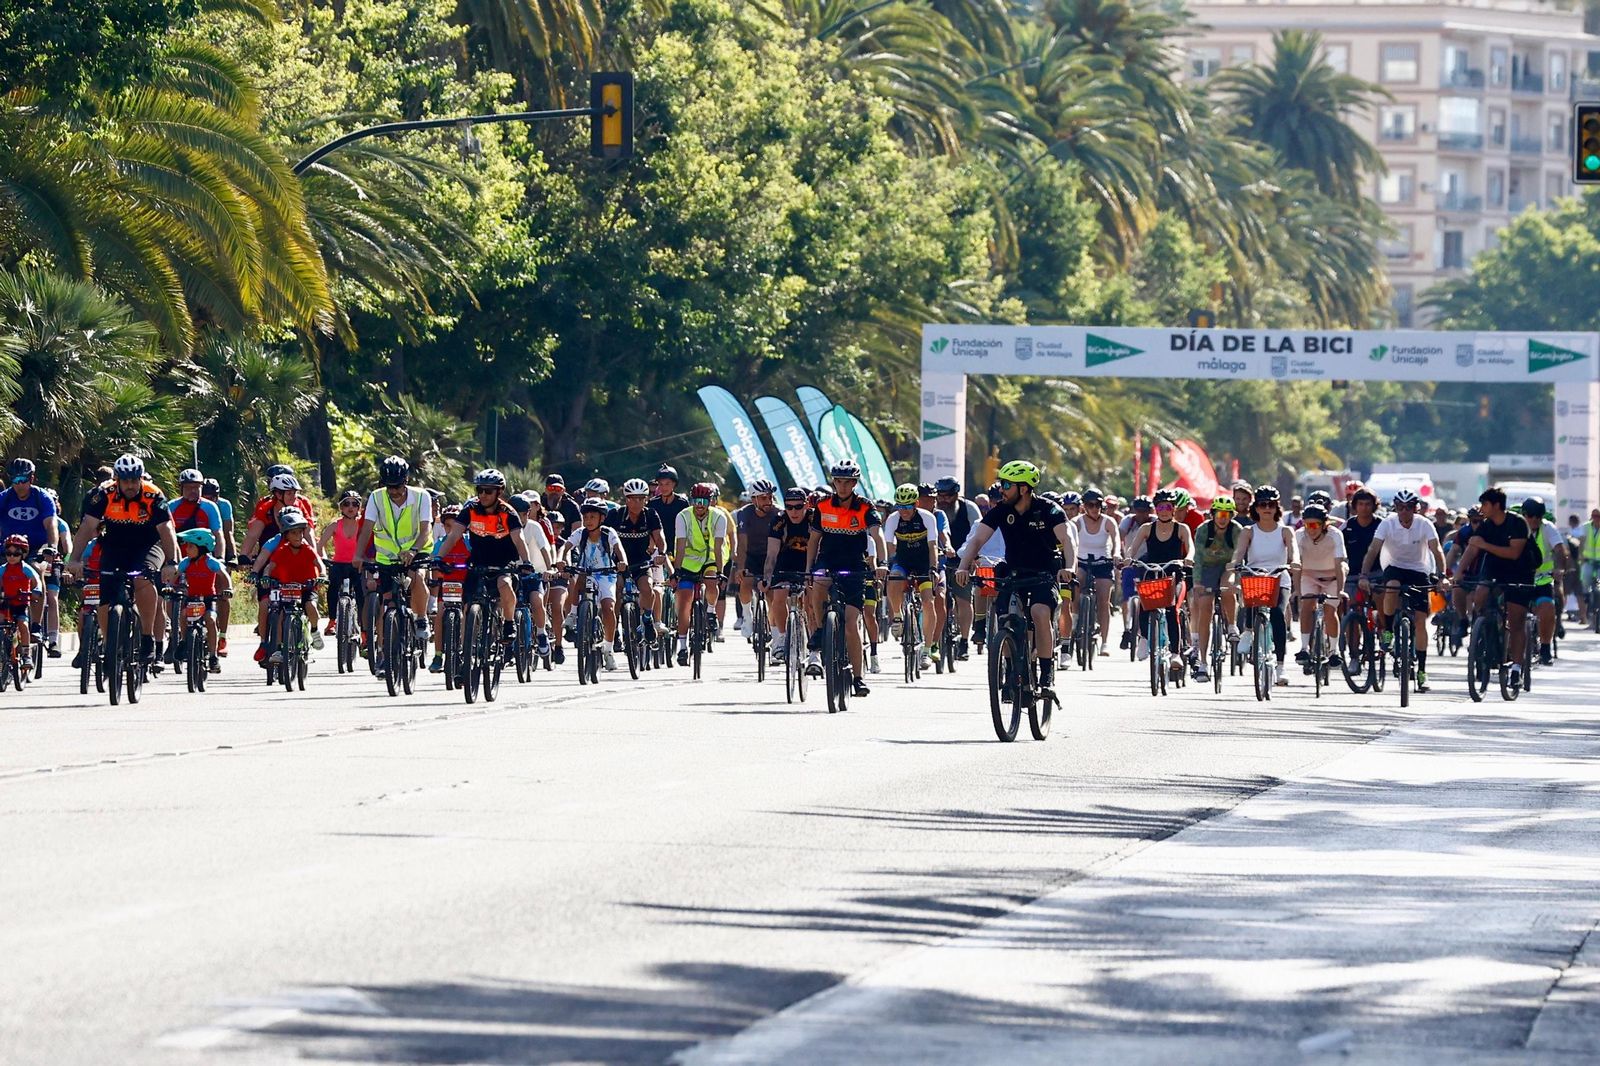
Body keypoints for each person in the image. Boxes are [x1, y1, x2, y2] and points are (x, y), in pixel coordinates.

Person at [954, 460, 1076, 694]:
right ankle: (1011, 673)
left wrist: (1069, 566)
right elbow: (977, 540)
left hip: (1043, 573)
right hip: (1013, 572)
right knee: (1007, 619)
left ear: (1024, 488)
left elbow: (1067, 541)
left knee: (1040, 613)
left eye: (1007, 484)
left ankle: (1046, 674)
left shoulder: (1049, 510)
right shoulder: (1001, 510)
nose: (1001, 489)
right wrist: (962, 566)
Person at [69, 454, 178, 667]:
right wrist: (74, 559)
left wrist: (172, 562)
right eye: (125, 480)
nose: (130, 485)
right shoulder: (103, 494)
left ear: (141, 478)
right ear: (117, 479)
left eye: (134, 480)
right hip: (115, 545)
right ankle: (111, 645)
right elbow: (86, 528)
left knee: (142, 579)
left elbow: (166, 529)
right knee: (105, 592)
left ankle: (147, 638)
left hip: (148, 545)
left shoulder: (153, 495)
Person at [804, 461, 886, 696]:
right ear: (833, 482)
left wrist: (881, 563)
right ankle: (820, 629)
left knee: (851, 624)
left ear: (854, 484)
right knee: (818, 582)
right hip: (827, 560)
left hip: (854, 565)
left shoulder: (864, 506)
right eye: (838, 481)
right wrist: (809, 568)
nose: (842, 486)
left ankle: (858, 678)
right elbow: (813, 541)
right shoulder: (822, 505)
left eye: (847, 482)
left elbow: (877, 536)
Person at [1358, 489, 1446, 693]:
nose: (1404, 512)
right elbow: (1373, 549)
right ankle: (1388, 629)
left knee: (1420, 620)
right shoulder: (1387, 523)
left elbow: (1437, 550)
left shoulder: (1424, 524)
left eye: (1409, 508)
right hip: (1394, 566)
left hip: (1419, 569)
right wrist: (1363, 575)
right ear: (1395, 508)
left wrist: (1442, 576)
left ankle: (1422, 671)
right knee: (1392, 587)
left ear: (1415, 508)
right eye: (1400, 508)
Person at [435, 469, 531, 648]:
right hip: (478, 561)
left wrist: (526, 561)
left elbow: (519, 538)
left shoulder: (508, 512)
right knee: (467, 604)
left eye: (489, 491)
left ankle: (509, 623)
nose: (483, 495)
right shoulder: (470, 509)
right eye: (480, 490)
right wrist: (439, 557)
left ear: (499, 491)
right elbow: (454, 535)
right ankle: (466, 652)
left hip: (503, 562)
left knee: (505, 584)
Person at [354, 456, 434, 664]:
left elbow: (426, 529)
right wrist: (358, 554)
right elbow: (366, 530)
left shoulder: (421, 497)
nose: (394, 492)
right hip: (387, 557)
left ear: (406, 481)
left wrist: (414, 550)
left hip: (418, 551)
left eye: (397, 487)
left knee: (417, 577)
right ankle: (383, 653)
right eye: (389, 487)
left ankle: (420, 618)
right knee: (386, 604)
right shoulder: (376, 497)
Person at [1457, 487, 1539, 688]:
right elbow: (1473, 547)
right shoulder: (1486, 525)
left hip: (1520, 570)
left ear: (1496, 505)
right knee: (1480, 593)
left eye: (1485, 504)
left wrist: (1485, 546)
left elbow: (1513, 553)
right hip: (1495, 568)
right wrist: (1458, 574)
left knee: (1516, 619)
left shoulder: (1517, 523)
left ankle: (1517, 668)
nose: (1482, 508)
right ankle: (1483, 628)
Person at [1231, 487, 1298, 686]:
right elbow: (1239, 552)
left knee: (1278, 613)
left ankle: (1280, 665)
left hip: (1279, 577)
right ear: (1256, 508)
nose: (1267, 508)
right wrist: (1235, 562)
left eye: (1271, 505)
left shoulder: (1285, 530)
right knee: (1250, 602)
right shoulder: (1248, 531)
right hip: (1255, 576)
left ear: (1277, 507)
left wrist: (1294, 562)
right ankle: (1249, 631)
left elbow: (1293, 551)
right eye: (1262, 504)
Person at [1124, 489, 1192, 674]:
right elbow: (1132, 548)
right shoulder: (1147, 528)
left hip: (1174, 574)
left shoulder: (1181, 528)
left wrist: (1189, 558)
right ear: (1156, 509)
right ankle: (1144, 639)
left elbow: (1190, 547)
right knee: (1145, 603)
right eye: (1160, 506)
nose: (1164, 510)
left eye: (1168, 506)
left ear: (1173, 509)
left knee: (1172, 609)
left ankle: (1175, 653)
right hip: (1153, 572)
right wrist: (1128, 558)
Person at [672, 482, 734, 667]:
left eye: (703, 501)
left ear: (710, 501)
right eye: (696, 500)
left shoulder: (719, 517)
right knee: (684, 600)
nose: (699, 504)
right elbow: (680, 545)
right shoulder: (683, 516)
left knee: (712, 580)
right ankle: (682, 646)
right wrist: (676, 571)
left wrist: (721, 573)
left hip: (712, 557)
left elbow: (718, 545)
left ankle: (710, 611)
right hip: (689, 560)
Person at [252, 510, 326, 663]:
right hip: (285, 587)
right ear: (286, 534)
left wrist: (322, 576)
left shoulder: (307, 549)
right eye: (294, 533)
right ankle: (278, 649)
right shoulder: (280, 550)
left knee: (311, 606)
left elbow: (320, 564)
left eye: (300, 533)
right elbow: (269, 566)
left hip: (306, 586)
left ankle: (314, 631)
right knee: (279, 616)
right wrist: (265, 576)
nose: (298, 536)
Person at [565, 499, 628, 669]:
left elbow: (618, 549)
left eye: (592, 516)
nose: (588, 520)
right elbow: (565, 547)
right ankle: (572, 614)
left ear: (602, 518)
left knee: (608, 608)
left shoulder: (609, 533)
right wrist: (561, 559)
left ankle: (608, 650)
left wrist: (622, 561)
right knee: (578, 579)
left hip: (606, 575)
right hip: (586, 572)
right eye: (585, 517)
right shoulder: (581, 533)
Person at [883, 483, 940, 671]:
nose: (904, 511)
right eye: (900, 506)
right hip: (903, 560)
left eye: (908, 506)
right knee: (894, 577)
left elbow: (932, 545)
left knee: (927, 602)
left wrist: (933, 568)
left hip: (923, 562)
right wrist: (889, 564)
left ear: (916, 503)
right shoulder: (893, 519)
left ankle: (926, 649)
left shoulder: (927, 518)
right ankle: (898, 616)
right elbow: (889, 546)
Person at [605, 479, 667, 648]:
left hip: (641, 561)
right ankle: (615, 629)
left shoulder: (651, 515)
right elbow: (604, 539)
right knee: (616, 589)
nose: (637, 502)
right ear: (626, 499)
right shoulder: (615, 515)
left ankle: (647, 620)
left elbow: (659, 537)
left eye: (641, 498)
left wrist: (661, 553)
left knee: (647, 588)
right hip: (619, 563)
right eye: (633, 498)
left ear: (646, 499)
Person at [1189, 497, 1239, 683]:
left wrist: (1235, 575)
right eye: (1219, 514)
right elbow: (1198, 557)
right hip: (1207, 569)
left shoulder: (1236, 530)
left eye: (1227, 514)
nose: (1223, 518)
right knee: (1204, 607)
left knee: (1226, 588)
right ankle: (1203, 662)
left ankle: (1232, 626)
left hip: (1228, 567)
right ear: (1213, 514)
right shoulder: (1203, 530)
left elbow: (1238, 555)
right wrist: (1197, 582)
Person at [933, 477, 982, 660]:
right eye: (941, 495)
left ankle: (963, 640)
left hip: (964, 560)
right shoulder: (934, 512)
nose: (944, 499)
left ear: (956, 494)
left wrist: (974, 558)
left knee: (963, 599)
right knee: (937, 598)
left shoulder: (969, 509)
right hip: (939, 559)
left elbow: (979, 533)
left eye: (949, 496)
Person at [763, 488, 814, 665]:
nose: (793, 511)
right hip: (785, 563)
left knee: (811, 602)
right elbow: (771, 553)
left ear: (806, 505)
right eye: (789, 507)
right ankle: (783, 638)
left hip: (809, 562)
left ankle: (814, 644)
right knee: (778, 596)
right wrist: (767, 578)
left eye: (798, 507)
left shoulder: (814, 518)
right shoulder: (779, 520)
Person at [1293, 504, 1346, 671]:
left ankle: (1333, 651)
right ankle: (1304, 648)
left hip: (1332, 576)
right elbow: (1297, 565)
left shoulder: (1335, 535)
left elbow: (1340, 564)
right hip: (1309, 575)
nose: (1311, 529)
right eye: (1308, 525)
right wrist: (1298, 592)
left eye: (1315, 525)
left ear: (1324, 524)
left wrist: (1340, 591)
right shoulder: (1299, 536)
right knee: (1307, 606)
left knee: (1330, 610)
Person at [1072, 488, 1120, 661]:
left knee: (1103, 599)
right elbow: (1069, 541)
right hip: (1082, 561)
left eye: (1098, 505)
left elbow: (1116, 540)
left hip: (1103, 562)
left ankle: (1105, 641)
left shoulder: (1108, 522)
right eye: (1091, 505)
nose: (1095, 509)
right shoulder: (1077, 522)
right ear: (1084, 506)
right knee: (1076, 580)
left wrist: (1116, 554)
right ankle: (1076, 617)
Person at [176, 528, 230, 673]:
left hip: (208, 599)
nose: (187, 549)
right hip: (191, 598)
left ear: (202, 547)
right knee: (182, 615)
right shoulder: (186, 563)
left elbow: (224, 575)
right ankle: (183, 641)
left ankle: (213, 656)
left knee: (210, 620)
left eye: (191, 546)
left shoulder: (211, 562)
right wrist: (169, 586)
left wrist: (228, 589)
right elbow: (176, 575)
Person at [1520, 497, 1566, 665]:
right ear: (1524, 515)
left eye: (1538, 516)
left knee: (1548, 608)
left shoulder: (1548, 528)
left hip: (1542, 579)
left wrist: (1559, 568)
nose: (1534, 520)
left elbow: (1559, 550)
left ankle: (1545, 647)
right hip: (1520, 579)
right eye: (1530, 516)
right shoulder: (1516, 527)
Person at [731, 480, 778, 640]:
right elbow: (742, 545)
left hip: (771, 556)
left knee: (772, 594)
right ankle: (747, 615)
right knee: (745, 581)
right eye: (764, 498)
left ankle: (774, 630)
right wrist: (740, 568)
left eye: (771, 497)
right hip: (751, 554)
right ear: (754, 499)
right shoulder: (744, 514)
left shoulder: (778, 513)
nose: (769, 501)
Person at [317, 489, 364, 637]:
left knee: (361, 593)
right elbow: (320, 545)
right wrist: (324, 560)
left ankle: (364, 630)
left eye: (355, 504)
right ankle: (332, 622)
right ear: (341, 507)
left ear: (359, 507)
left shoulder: (364, 524)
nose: (351, 507)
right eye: (346, 504)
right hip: (338, 564)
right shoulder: (335, 525)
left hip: (358, 565)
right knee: (333, 589)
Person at [0, 534, 43, 677]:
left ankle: (26, 654)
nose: (12, 557)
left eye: (16, 554)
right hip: (6, 604)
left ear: (23, 554)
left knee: (23, 625)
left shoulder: (26, 569)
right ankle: (4, 649)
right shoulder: (2, 569)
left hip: (20, 604)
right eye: (8, 553)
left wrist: (36, 592)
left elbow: (36, 582)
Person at [1117, 495, 1153, 649]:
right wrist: (1118, 555)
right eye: (1139, 511)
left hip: (1149, 563)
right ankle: (1127, 628)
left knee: (1148, 597)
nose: (1142, 514)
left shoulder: (1155, 521)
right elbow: (1119, 537)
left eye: (1145, 511)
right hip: (1130, 561)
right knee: (1127, 596)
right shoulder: (1128, 521)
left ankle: (1145, 629)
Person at [168, 469, 223, 537]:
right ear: (181, 488)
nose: (193, 491)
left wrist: (219, 547)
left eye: (196, 487)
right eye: (188, 488)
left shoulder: (210, 507)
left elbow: (218, 535)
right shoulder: (171, 506)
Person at [201, 478, 237, 563]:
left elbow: (228, 532)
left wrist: (233, 555)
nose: (208, 501)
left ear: (217, 496)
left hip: (218, 537)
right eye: (205, 498)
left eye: (211, 498)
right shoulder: (197, 504)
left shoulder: (224, 505)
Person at [542, 474, 583, 541]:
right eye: (551, 488)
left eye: (558, 489)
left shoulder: (572, 506)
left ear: (563, 491)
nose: (554, 491)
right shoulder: (539, 504)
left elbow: (577, 532)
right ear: (546, 490)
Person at [1577, 507, 1600, 626]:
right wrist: (1580, 556)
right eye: (1594, 516)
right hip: (1588, 560)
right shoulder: (1586, 527)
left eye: (1598, 516)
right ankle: (1586, 595)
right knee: (1585, 579)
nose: (1596, 519)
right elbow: (1580, 542)